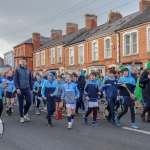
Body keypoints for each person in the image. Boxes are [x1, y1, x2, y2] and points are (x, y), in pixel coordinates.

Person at [14, 57, 33, 123]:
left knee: (29, 102)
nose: (22, 62)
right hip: (20, 89)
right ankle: (21, 117)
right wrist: (17, 88)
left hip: (27, 88)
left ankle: (25, 113)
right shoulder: (17, 70)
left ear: (26, 62)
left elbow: (30, 80)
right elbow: (15, 80)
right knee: (21, 103)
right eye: (21, 61)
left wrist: (31, 89)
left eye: (24, 61)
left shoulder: (28, 70)